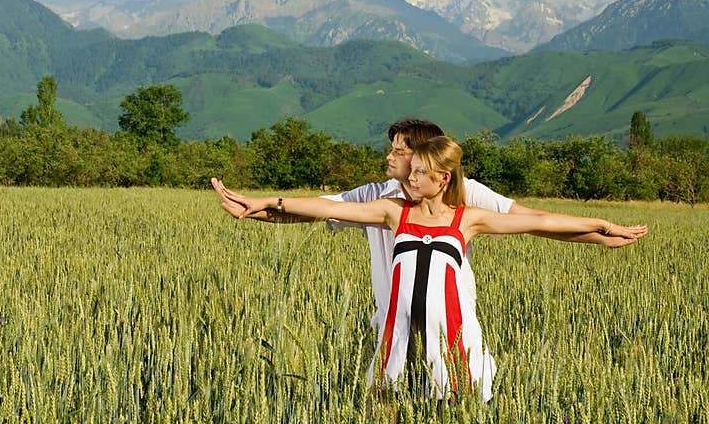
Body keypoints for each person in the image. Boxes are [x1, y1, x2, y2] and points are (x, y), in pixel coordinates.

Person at [212, 119, 643, 399]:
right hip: (394, 326)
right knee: (388, 401)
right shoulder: (380, 202)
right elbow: (316, 208)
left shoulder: (468, 203)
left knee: (454, 401)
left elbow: (537, 221)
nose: (392, 159)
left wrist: (601, 231)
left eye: (401, 153)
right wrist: (258, 207)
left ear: (433, 166)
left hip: (449, 330)